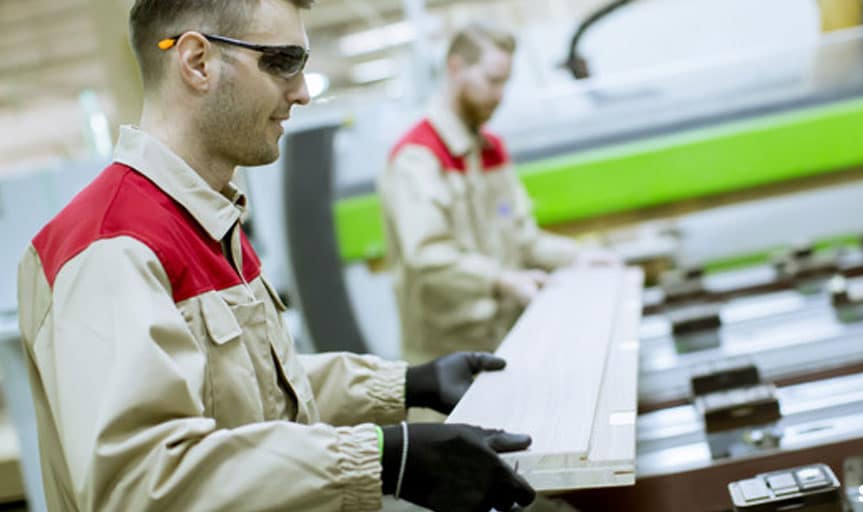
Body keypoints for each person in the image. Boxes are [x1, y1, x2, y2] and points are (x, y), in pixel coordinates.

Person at [16, 1, 534, 510]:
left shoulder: (207, 216)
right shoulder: (112, 244)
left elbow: (259, 390)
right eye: (283, 62)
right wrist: (379, 459)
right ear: (197, 62)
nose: (303, 92)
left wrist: (408, 383)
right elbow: (139, 482)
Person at [378, 22, 620, 365]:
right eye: (492, 81)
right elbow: (427, 256)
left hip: (505, 342)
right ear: (455, 68)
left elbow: (521, 238)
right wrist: (501, 279)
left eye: (505, 83)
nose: (499, 95)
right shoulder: (417, 158)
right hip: (446, 361)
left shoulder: (490, 150)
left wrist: (576, 256)